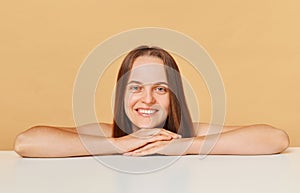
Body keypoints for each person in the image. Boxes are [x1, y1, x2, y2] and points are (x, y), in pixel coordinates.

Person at [14, 46, 290, 157]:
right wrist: (120, 144)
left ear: (174, 96)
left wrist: (179, 145)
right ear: (122, 93)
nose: (147, 99)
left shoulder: (191, 132)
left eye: (160, 88)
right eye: (136, 87)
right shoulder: (107, 133)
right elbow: (26, 142)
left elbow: (276, 138)